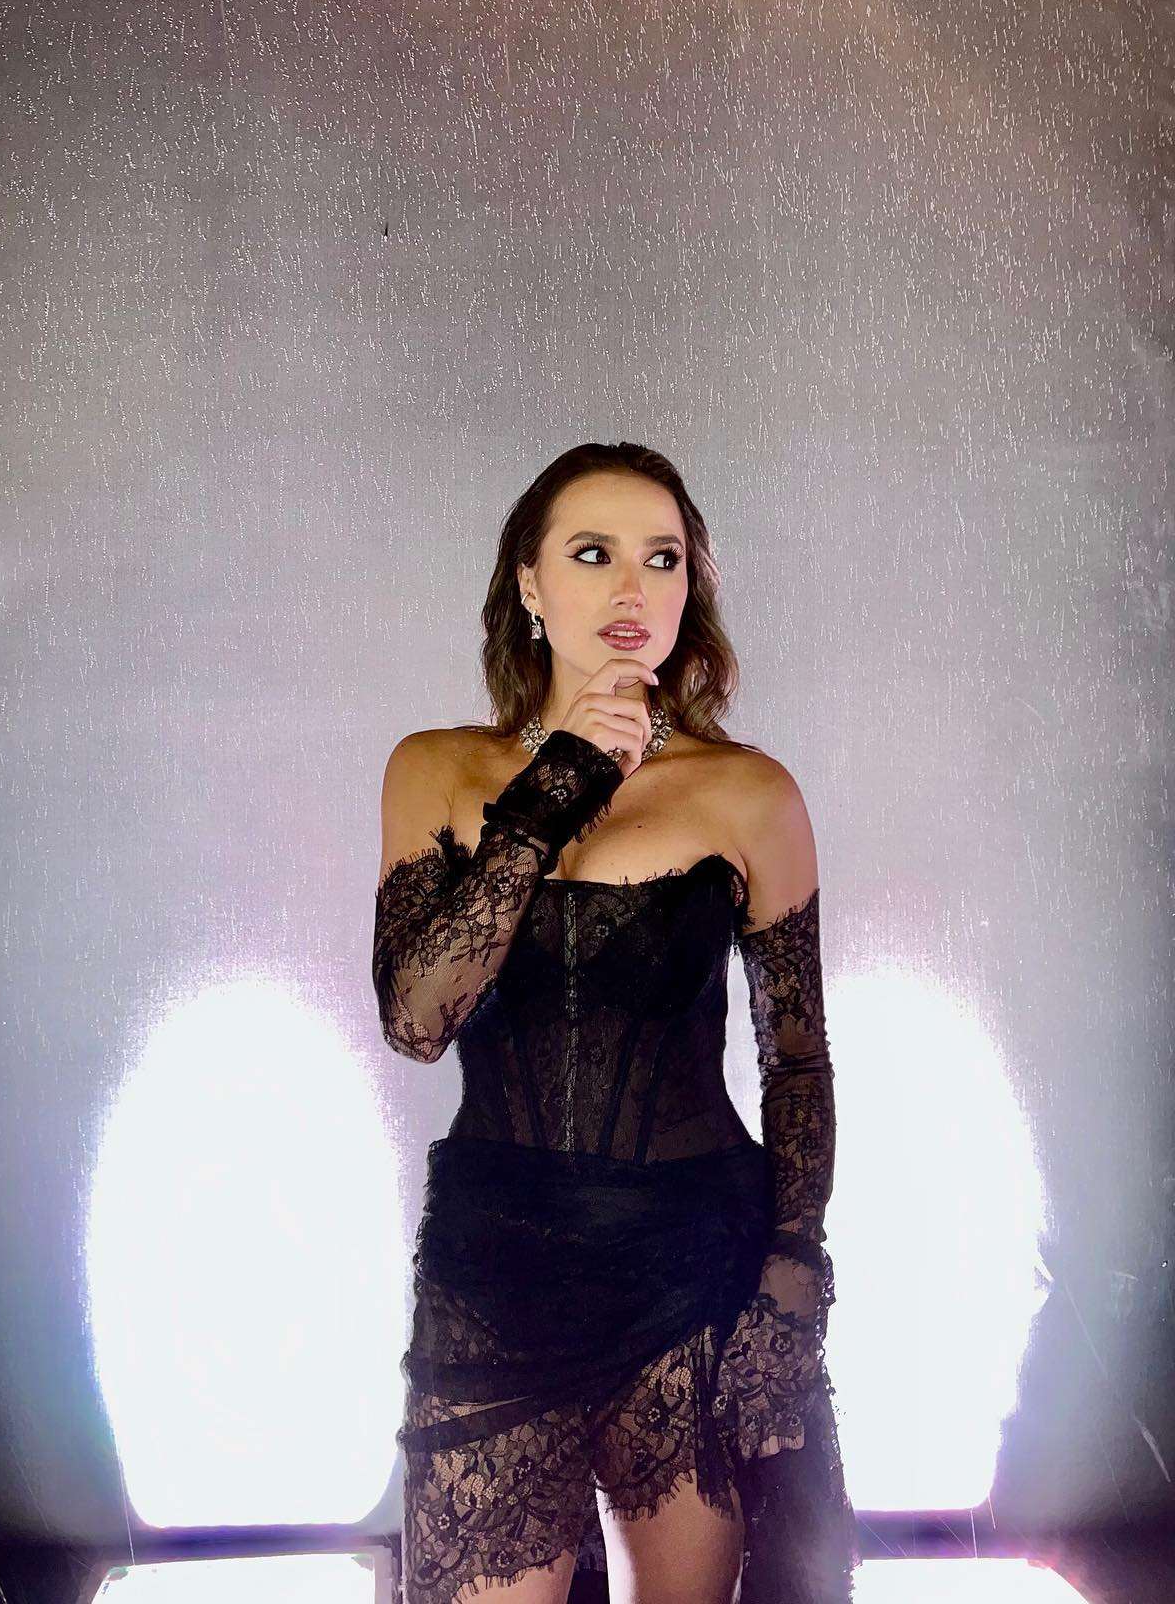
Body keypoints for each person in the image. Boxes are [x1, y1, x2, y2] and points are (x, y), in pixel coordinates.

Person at [372, 442, 860, 1604]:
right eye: (593, 554)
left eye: (663, 558)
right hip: (498, 1269)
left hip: (692, 1264)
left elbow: (798, 1061)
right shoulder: (436, 770)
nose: (633, 588)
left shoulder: (749, 794)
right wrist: (557, 785)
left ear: (692, 590)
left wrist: (792, 1278)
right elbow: (417, 1018)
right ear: (530, 584)